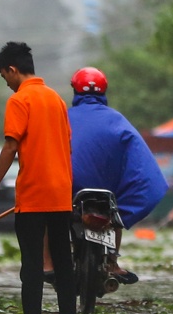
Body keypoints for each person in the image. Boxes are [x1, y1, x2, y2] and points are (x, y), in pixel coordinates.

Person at [0, 41, 75, 314]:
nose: (7, 84)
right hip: (61, 192)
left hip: (34, 193)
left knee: (33, 260)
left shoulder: (20, 101)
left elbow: (11, 146)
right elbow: (67, 144)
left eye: (4, 77)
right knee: (63, 258)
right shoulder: (56, 99)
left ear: (12, 70)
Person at [67, 67, 167, 281]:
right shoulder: (117, 120)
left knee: (56, 217)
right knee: (116, 212)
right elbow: (140, 159)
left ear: (75, 90)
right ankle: (112, 262)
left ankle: (54, 262)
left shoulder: (63, 116)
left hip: (71, 189)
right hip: (106, 191)